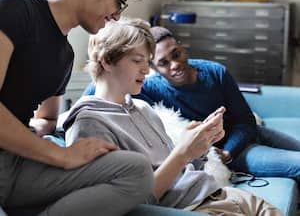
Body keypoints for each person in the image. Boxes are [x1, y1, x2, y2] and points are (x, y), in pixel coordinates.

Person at [0, 0, 154, 216]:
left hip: (19, 163)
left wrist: (57, 141)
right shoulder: (14, 8)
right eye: (119, 2)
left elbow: (46, 117)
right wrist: (61, 155)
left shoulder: (65, 55)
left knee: (137, 170)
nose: (117, 16)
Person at [65, 18, 283, 216]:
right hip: (191, 209)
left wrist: (200, 146)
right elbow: (132, 203)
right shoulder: (89, 124)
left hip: (221, 194)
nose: (146, 70)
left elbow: (184, 171)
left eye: (147, 61)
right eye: (137, 60)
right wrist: (182, 152)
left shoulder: (143, 108)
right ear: (107, 61)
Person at [83, 24, 300, 183]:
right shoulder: (149, 88)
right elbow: (98, 86)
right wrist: (66, 118)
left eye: (176, 54)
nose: (175, 65)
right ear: (154, 68)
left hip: (244, 135)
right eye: (164, 63)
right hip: (233, 153)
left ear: (182, 47)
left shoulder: (215, 72)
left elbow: (245, 121)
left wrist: (230, 150)